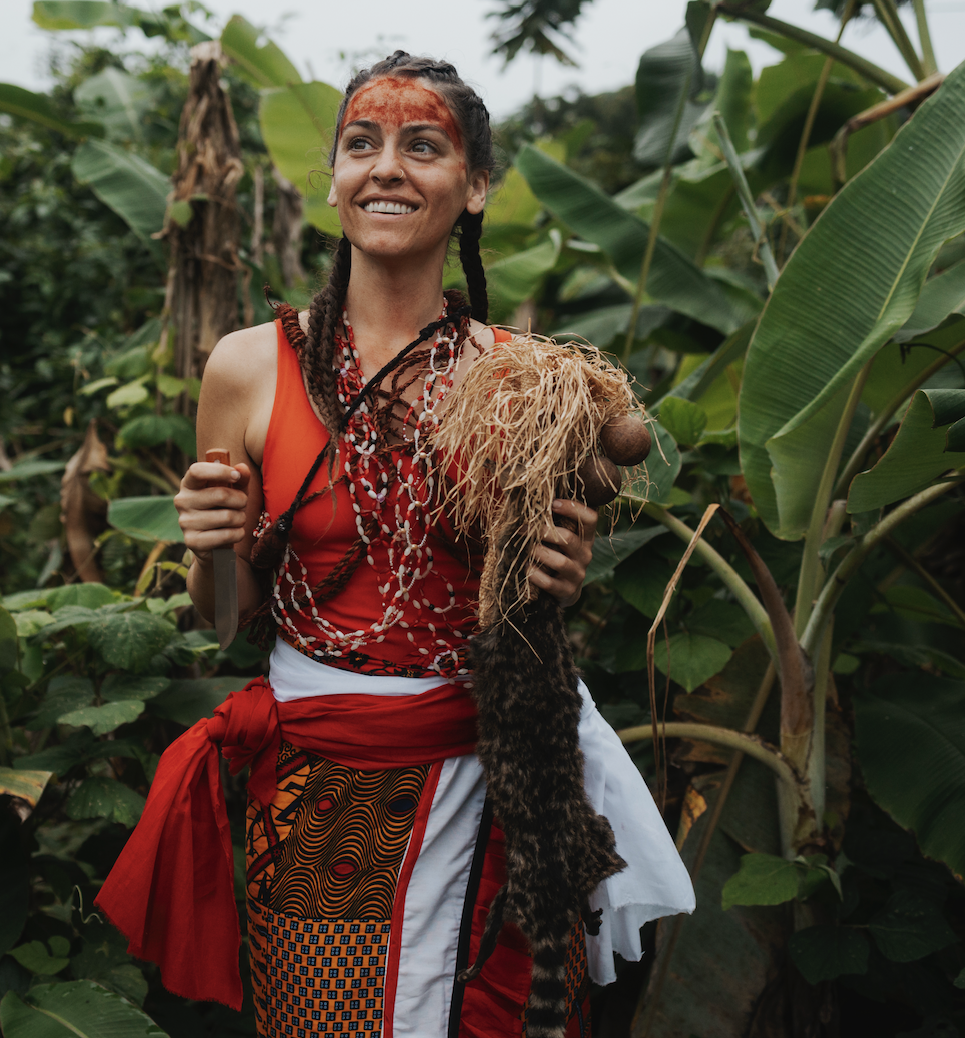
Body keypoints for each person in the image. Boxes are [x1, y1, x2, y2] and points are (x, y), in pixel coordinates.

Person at [97, 51, 693, 1037]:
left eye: (423, 147)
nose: (386, 168)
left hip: (497, 771)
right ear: (333, 179)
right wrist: (209, 547)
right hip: (319, 785)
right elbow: (226, 622)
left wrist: (557, 572)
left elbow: (562, 547)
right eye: (362, 144)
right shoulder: (248, 367)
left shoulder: (526, 380)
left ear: (475, 187)